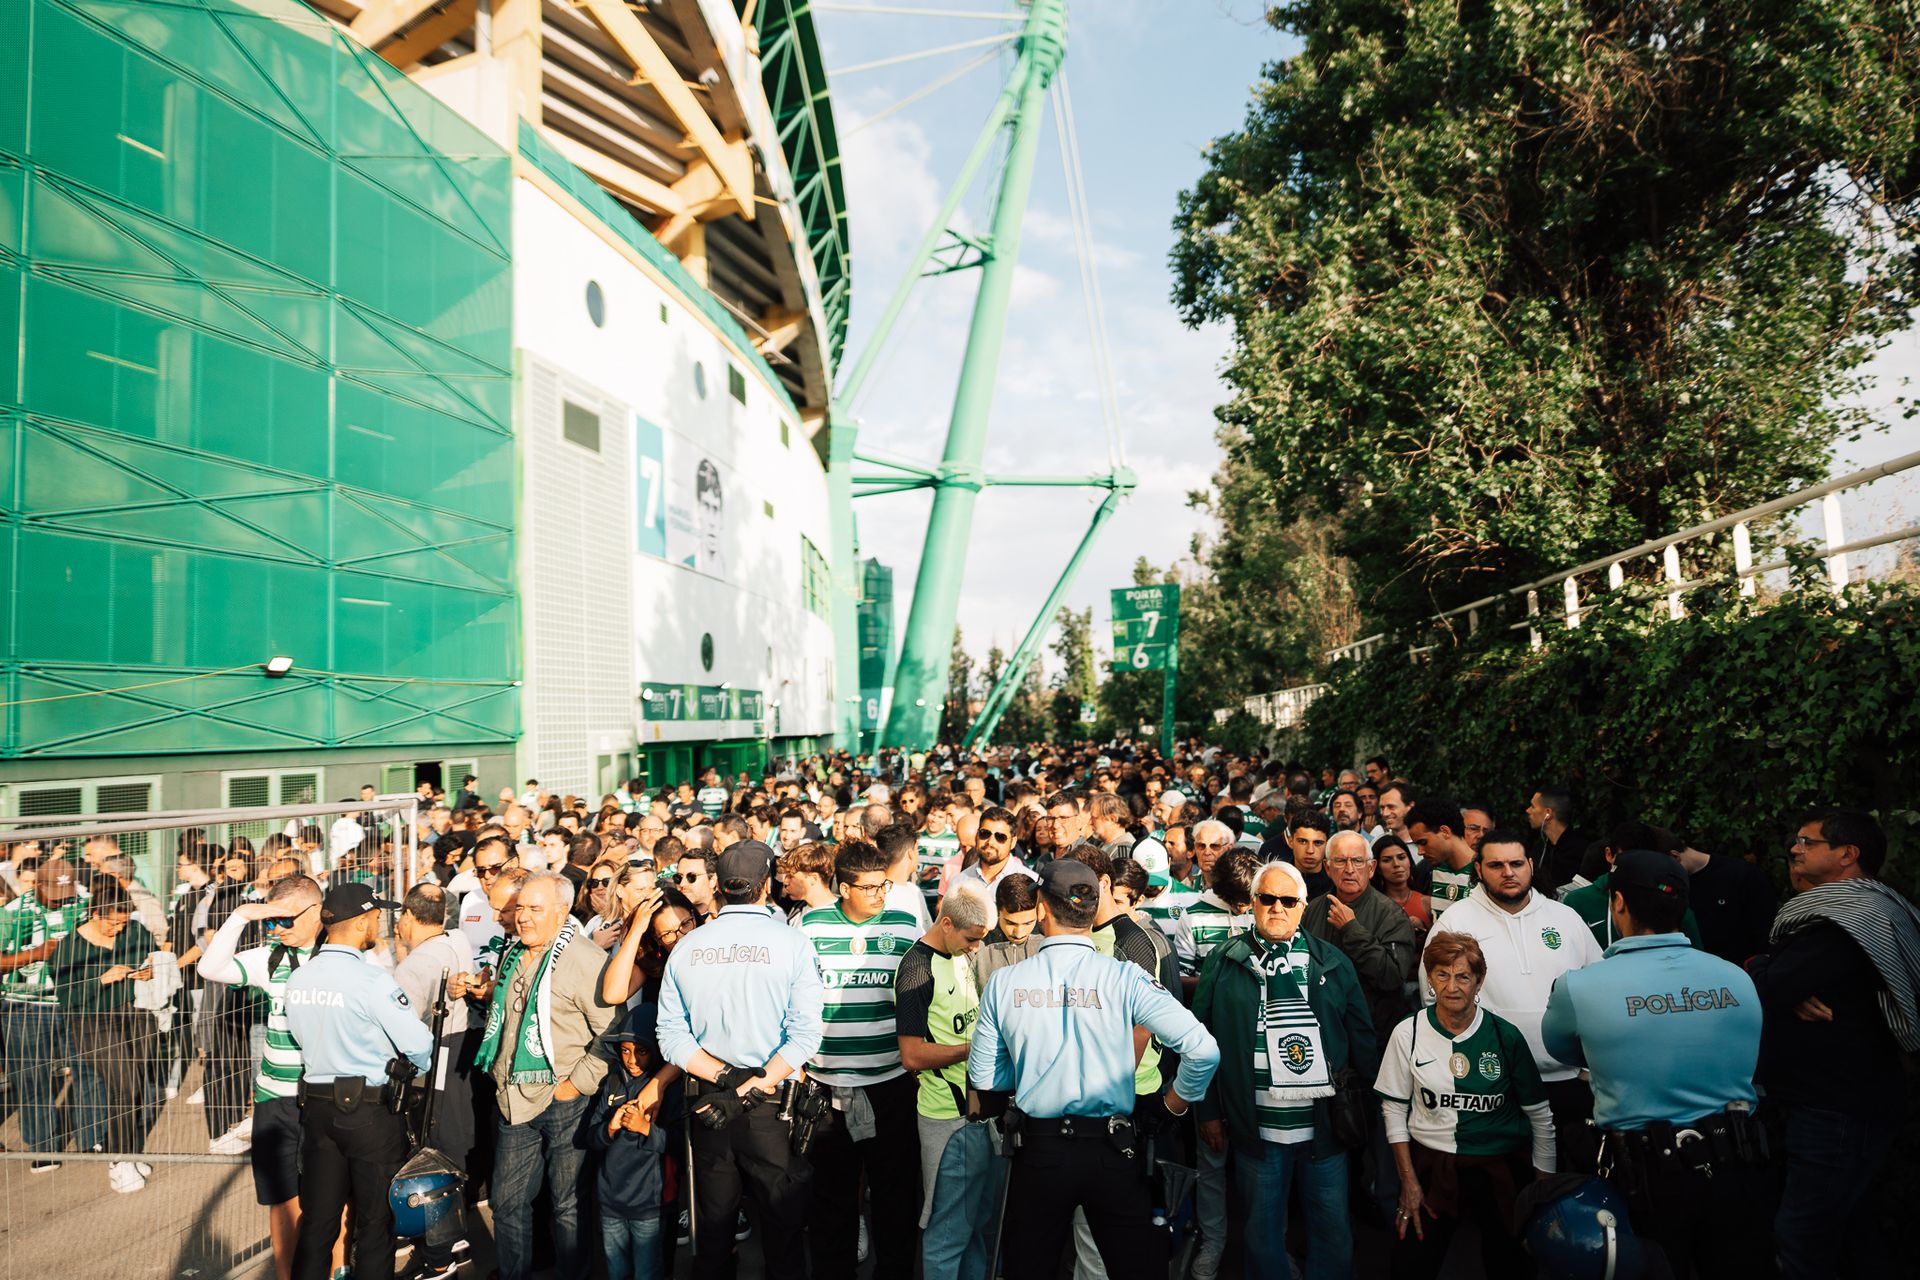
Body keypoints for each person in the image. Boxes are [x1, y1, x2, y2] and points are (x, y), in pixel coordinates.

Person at [968, 860, 1220, 1280]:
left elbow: (985, 1079)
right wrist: (1169, 1106)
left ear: (1042, 909)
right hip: (1113, 1149)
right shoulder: (1125, 976)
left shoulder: (1004, 982)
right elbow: (1203, 1050)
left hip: (1040, 1149)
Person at [1541, 850, 1771, 1279]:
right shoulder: (1735, 977)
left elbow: (1561, 1050)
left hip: (1647, 1180)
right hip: (1738, 1171)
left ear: (1620, 903)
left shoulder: (1581, 987)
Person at [1748, 809, 1917, 1280]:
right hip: (1848, 1103)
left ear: (1847, 854)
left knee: (1803, 1236)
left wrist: (1764, 967)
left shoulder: (1843, 924)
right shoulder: (1863, 912)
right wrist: (1777, 975)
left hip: (1836, 1111)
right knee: (1849, 1231)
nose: (1794, 849)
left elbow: (1766, 987)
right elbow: (1780, 982)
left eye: (1807, 841)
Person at [1192, 861, 1377, 1280]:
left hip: (1325, 1131)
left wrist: (1368, 1113)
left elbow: (1363, 1042)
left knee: (1332, 1231)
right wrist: (1208, 1111)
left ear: (1302, 906)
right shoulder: (1223, 961)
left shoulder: (1332, 962)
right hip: (1255, 1131)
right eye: (1267, 899)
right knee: (1261, 1236)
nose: (1277, 908)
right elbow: (1198, 1044)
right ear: (1252, 904)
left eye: (1288, 900)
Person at [656, 840, 821, 1280]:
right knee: (782, 1232)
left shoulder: (688, 948)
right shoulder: (792, 942)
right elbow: (806, 1036)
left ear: (720, 886)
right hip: (768, 1100)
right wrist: (751, 1081)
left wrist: (724, 1076)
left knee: (714, 1230)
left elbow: (672, 1036)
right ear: (766, 885)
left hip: (711, 1099)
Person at [454, 872, 616, 1280]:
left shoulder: (584, 960)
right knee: (507, 1204)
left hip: (566, 1103)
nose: (522, 917)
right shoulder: (514, 953)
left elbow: (613, 1031)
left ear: (561, 913)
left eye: (534, 909)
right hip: (514, 1103)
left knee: (567, 1206)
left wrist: (576, 1084)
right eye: (520, 908)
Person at [1375, 932, 1555, 1280]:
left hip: (1500, 1168)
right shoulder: (1407, 1033)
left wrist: (1541, 1194)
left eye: (1463, 976)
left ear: (1479, 981)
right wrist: (1409, 1182)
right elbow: (1394, 1110)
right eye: (1442, 974)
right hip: (1433, 1168)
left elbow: (1541, 1118)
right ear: (1429, 978)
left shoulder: (1505, 1036)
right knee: (1410, 1265)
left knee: (1511, 1267)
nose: (1452, 986)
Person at [1421, 828, 1603, 1170]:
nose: (1508, 872)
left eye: (1517, 863)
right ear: (1478, 870)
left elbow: (1599, 991)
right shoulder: (1456, 923)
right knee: (1504, 1191)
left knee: (1571, 1177)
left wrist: (1588, 1066)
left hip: (1568, 1084)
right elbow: (1434, 1001)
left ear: (1531, 865)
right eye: (1496, 865)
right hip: (1493, 1085)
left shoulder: (1565, 918)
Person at [283, 882, 434, 1280]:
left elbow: (299, 1037)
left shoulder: (300, 979)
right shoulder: (371, 981)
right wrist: (413, 1069)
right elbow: (419, 1045)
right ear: (361, 921)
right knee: (374, 1225)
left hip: (316, 1110)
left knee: (317, 1224)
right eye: (376, 916)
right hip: (369, 1113)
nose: (379, 923)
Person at [795, 839, 924, 1279]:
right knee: (832, 1202)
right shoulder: (808, 928)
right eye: (868, 888)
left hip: (890, 1084)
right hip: (826, 1086)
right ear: (843, 886)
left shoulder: (906, 925)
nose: (879, 895)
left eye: (883, 886)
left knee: (896, 1197)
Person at [197, 873, 326, 1280]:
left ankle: (338, 1270)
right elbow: (209, 967)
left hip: (326, 1096)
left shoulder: (341, 955)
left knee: (331, 1198)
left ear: (317, 911)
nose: (277, 929)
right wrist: (241, 916)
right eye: (271, 921)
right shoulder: (269, 957)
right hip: (275, 1099)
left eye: (285, 919)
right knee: (283, 1199)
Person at [894, 882, 998, 1280]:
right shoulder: (917, 968)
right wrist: (973, 1049)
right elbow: (912, 1054)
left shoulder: (959, 954)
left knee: (973, 1228)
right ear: (948, 922)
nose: (977, 948)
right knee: (948, 1233)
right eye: (972, 939)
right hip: (949, 1121)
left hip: (977, 1115)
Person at [47, 879, 157, 1194]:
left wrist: (148, 968)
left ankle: (129, 1152)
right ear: (95, 913)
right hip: (91, 1022)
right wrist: (102, 979)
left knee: (136, 1084)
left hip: (134, 1013)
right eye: (113, 922)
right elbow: (66, 995)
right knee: (124, 1085)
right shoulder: (69, 946)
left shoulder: (134, 931)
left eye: (123, 922)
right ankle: (120, 1161)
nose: (118, 929)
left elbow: (151, 953)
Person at [392, 883, 478, 1279]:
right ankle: (453, 1238)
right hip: (459, 1052)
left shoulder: (417, 964)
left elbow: (398, 1025)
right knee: (453, 1144)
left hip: (436, 1057)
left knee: (434, 1149)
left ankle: (439, 1253)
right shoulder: (457, 939)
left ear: (407, 916)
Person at [0, 856, 88, 1172]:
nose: (61, 899)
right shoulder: (11, 913)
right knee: (32, 1078)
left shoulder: (84, 903)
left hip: (75, 1003)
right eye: (54, 893)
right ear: (37, 884)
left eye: (67, 892)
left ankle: (92, 1139)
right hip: (25, 1007)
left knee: (88, 1071)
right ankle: (43, 1147)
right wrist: (34, 955)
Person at [591, 1013, 672, 1280]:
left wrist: (645, 1128)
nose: (632, 1060)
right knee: (617, 1271)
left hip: (647, 1204)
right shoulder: (613, 1082)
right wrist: (611, 1126)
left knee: (647, 1272)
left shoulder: (665, 1090)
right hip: (610, 1202)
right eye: (625, 1051)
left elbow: (677, 1146)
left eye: (642, 1051)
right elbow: (590, 1138)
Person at [1402, 800, 1476, 917]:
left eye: (1423, 842)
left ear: (1445, 832)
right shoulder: (1430, 870)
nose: (1420, 851)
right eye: (1417, 845)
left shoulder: (1485, 872)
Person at [1525, 787, 1590, 896]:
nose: (1528, 810)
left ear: (1548, 813)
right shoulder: (1540, 849)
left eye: (1533, 806)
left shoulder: (1579, 850)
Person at [1372, 836, 1431, 940]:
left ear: (1409, 861)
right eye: (1387, 860)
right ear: (1377, 868)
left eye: (1401, 857)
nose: (1396, 864)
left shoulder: (1427, 903)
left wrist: (1424, 929)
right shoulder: (1373, 906)